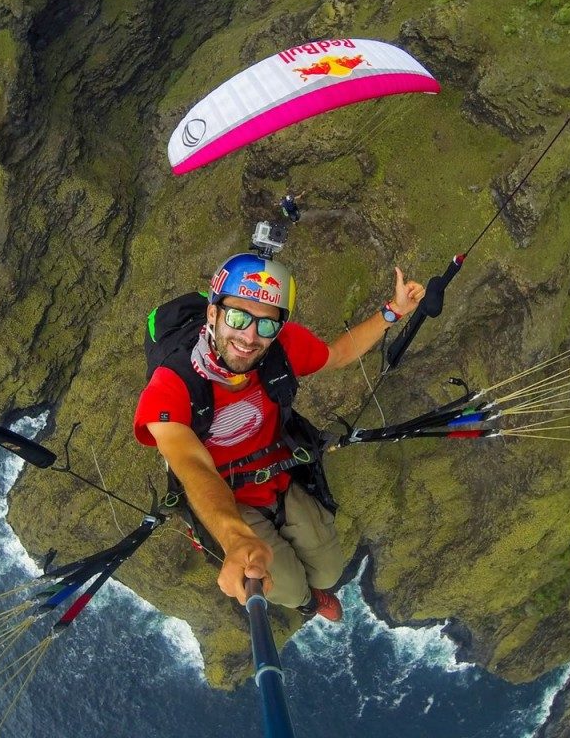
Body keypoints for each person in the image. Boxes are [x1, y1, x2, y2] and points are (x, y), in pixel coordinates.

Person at [134, 253, 425, 621]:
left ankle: (314, 591)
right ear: (213, 314)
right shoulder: (171, 385)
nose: (250, 337)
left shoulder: (281, 347)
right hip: (228, 498)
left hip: (278, 473)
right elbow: (190, 463)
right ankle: (306, 602)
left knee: (330, 570)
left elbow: (337, 354)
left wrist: (393, 312)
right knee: (284, 584)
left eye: (266, 326)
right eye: (238, 318)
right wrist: (234, 538)